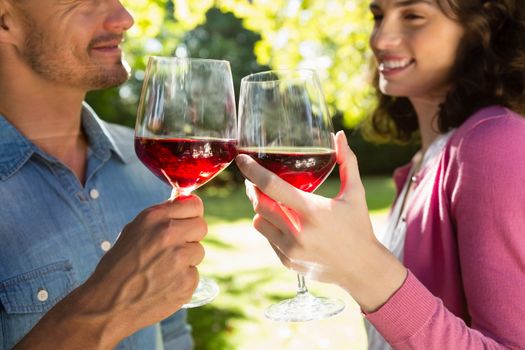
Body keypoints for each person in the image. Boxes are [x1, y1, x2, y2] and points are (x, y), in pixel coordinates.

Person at [236, 0, 525, 348]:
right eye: (377, 16)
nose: (380, 39)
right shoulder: (422, 164)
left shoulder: (495, 142)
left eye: (413, 16)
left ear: (484, 26)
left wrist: (361, 267)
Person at [0, 0, 206, 349]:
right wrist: (107, 306)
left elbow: (171, 333)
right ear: (5, 21)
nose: (124, 18)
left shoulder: (146, 165)